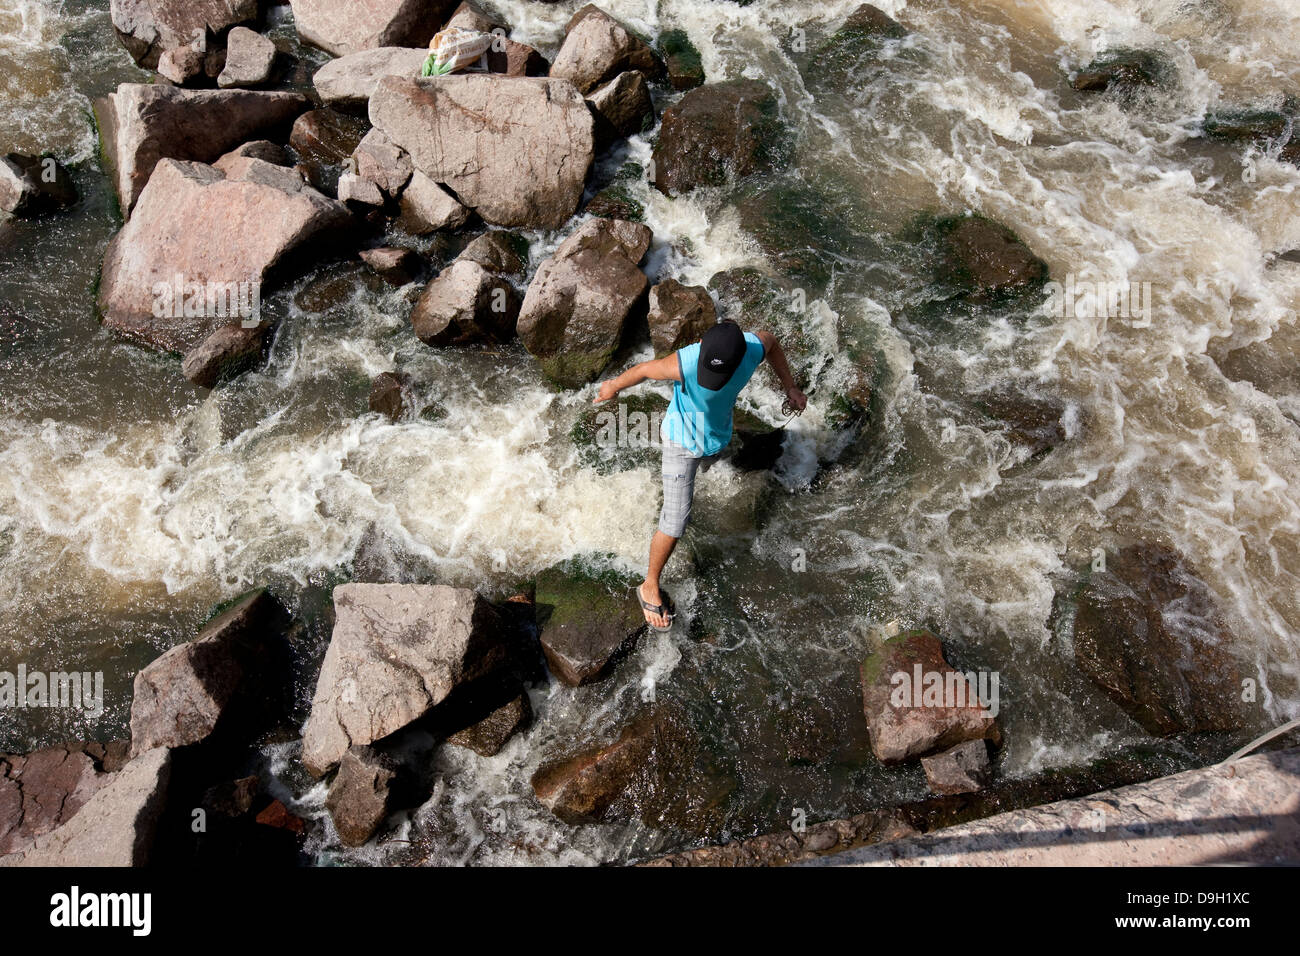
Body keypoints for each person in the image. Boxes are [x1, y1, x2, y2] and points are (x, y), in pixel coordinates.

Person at [593, 319, 807, 631]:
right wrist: (612, 386)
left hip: (717, 434)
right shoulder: (685, 362)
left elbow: (772, 342)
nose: (709, 380)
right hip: (681, 441)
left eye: (717, 375)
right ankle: (649, 584)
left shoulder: (753, 348)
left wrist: (790, 387)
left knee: (727, 464)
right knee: (677, 519)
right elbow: (642, 370)